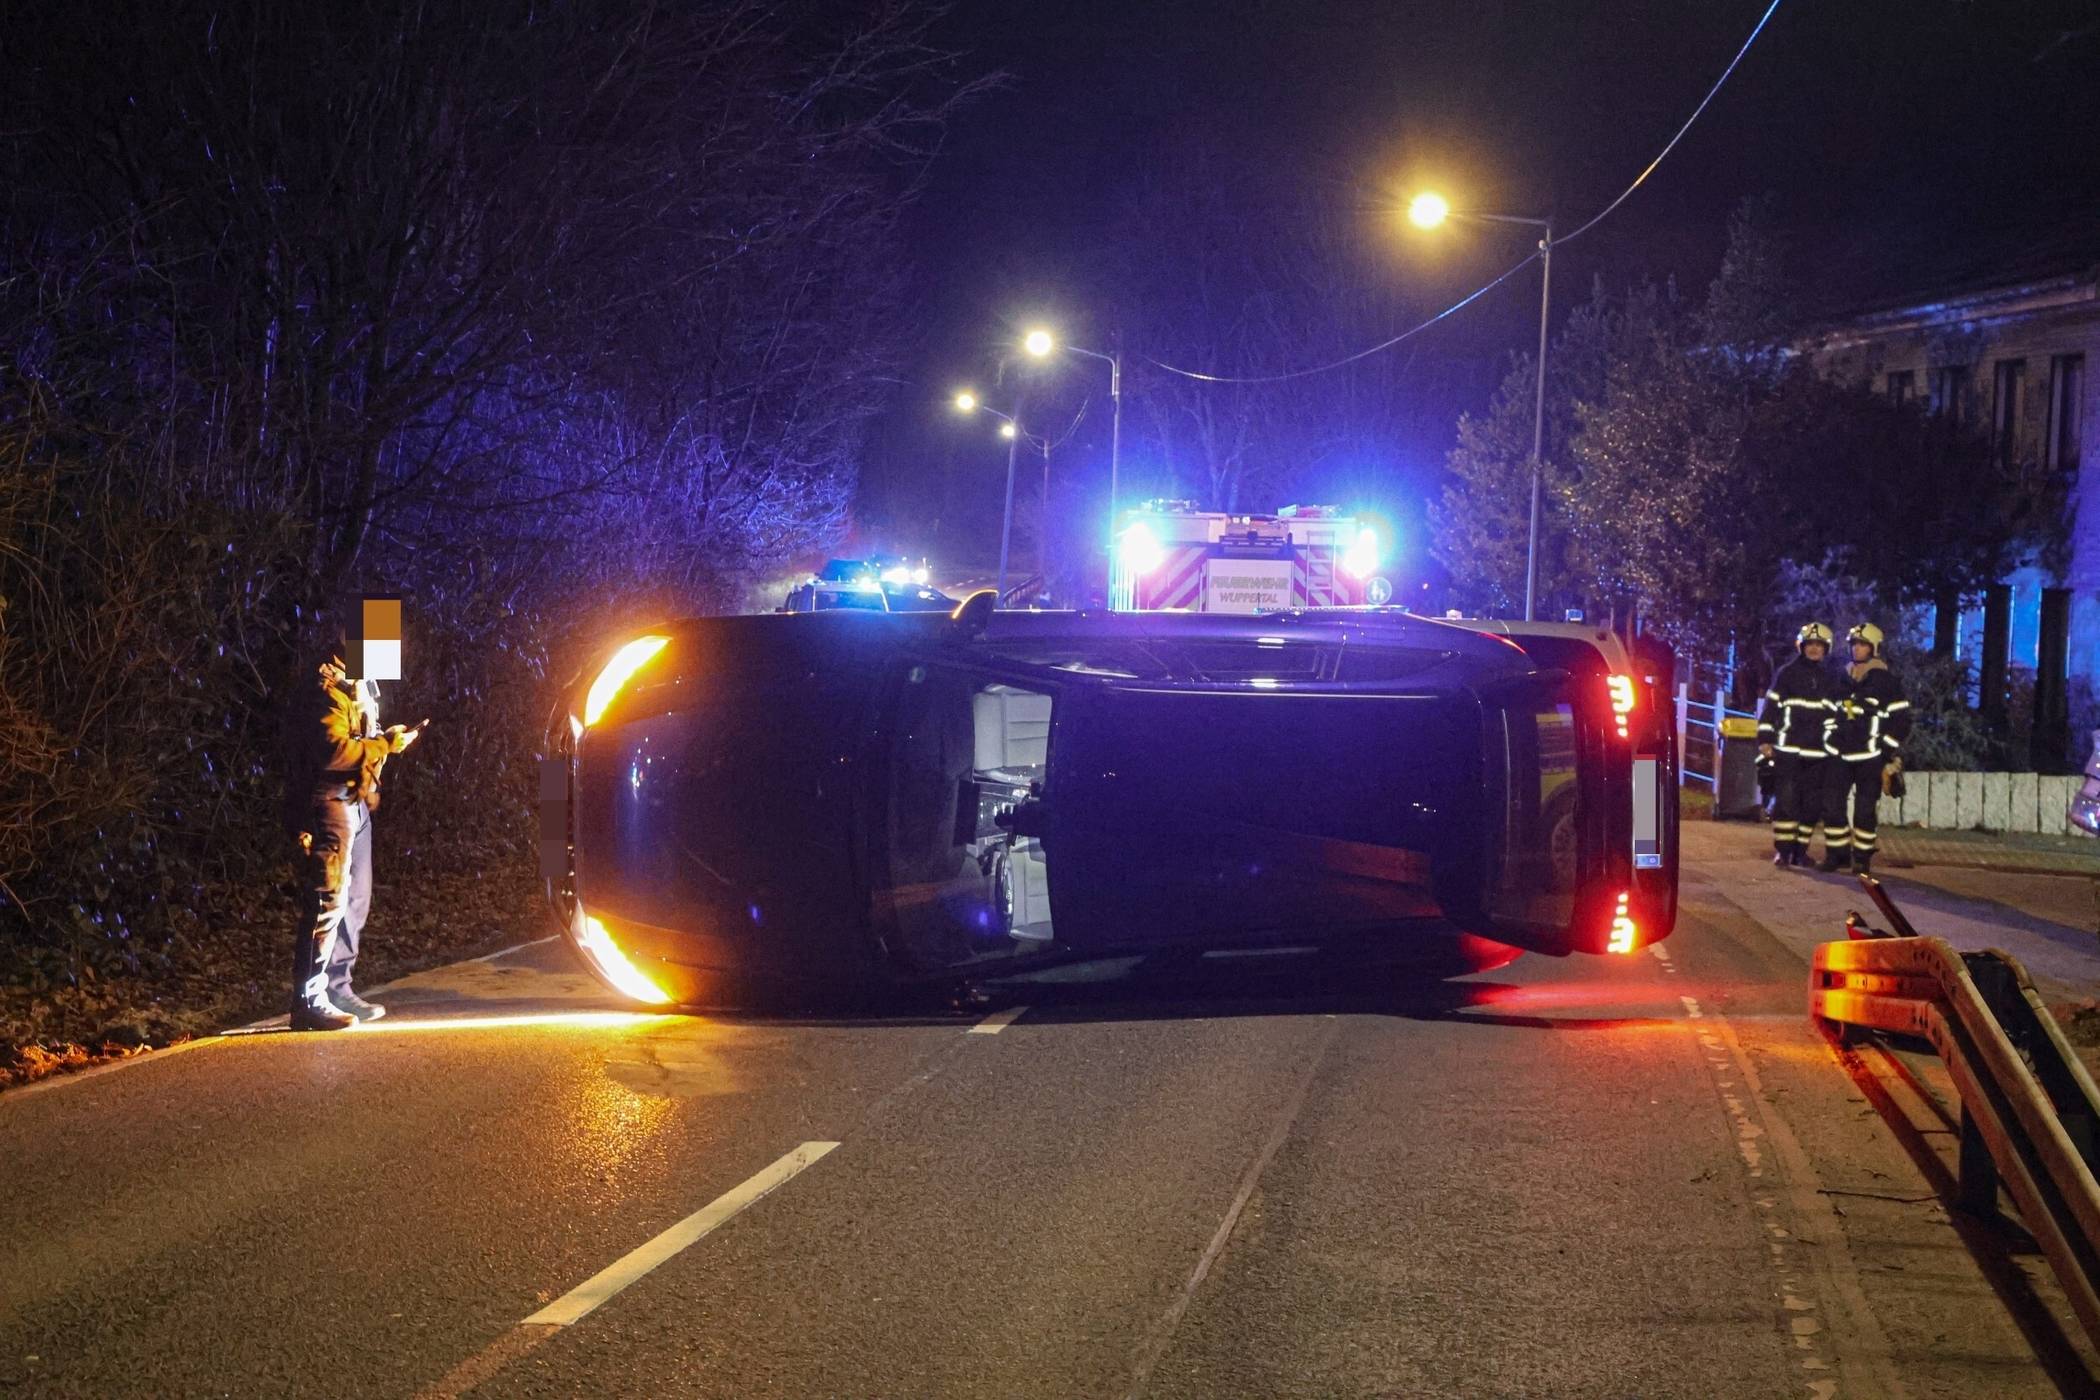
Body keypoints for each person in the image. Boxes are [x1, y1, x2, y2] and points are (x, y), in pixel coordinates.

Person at [285, 629, 420, 1030]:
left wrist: (381, 754)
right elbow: (334, 751)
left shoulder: (359, 683)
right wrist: (385, 747)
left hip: (354, 803)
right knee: (328, 899)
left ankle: (337, 989)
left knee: (354, 900)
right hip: (330, 802)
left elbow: (362, 737)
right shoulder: (327, 687)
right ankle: (309, 1000)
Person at [1819, 622, 1912, 873]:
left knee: (1864, 810)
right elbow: (1828, 711)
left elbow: (1902, 720)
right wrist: (1829, 737)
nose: (1857, 649)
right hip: (1839, 754)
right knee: (1831, 806)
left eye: (1862, 644)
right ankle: (1837, 854)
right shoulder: (1842, 678)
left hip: (1870, 757)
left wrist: (1885, 749)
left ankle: (1862, 858)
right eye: (1854, 644)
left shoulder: (1886, 682)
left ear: (1874, 648)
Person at [1757, 622, 1839, 867]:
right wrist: (1764, 739)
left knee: (1811, 807)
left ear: (1826, 648)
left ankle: (1800, 852)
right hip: (1788, 751)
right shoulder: (1787, 673)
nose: (1814, 649)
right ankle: (1783, 852)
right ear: (1801, 646)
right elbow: (1770, 708)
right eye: (1810, 644)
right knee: (1787, 804)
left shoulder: (1830, 679)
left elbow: (1835, 717)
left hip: (1818, 754)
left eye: (1819, 645)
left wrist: (1834, 746)